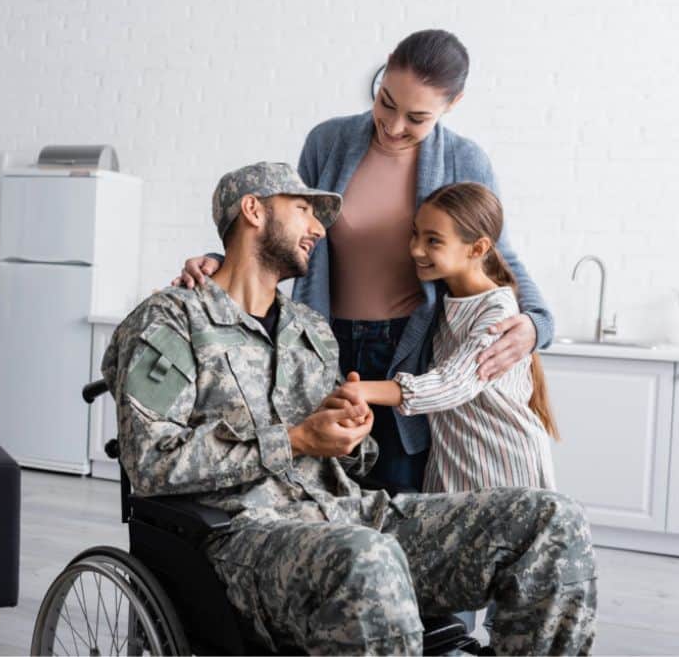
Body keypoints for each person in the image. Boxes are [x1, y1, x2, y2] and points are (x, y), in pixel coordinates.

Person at [104, 162, 596, 655]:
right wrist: (295, 440)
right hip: (242, 538)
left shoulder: (311, 330)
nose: (319, 228)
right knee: (369, 557)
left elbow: (351, 455)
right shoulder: (170, 321)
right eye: (303, 210)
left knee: (553, 520)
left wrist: (353, 435)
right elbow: (151, 463)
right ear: (253, 211)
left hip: (348, 517)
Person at [171, 29, 553, 491]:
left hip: (408, 353)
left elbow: (499, 253)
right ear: (385, 67)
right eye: (386, 102)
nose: (393, 126)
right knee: (318, 490)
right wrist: (220, 261)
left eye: (416, 118)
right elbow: (289, 231)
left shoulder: (464, 160)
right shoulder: (328, 141)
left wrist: (537, 325)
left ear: (452, 105)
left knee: (397, 493)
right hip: (322, 342)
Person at [337, 182, 558, 493]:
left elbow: (452, 383)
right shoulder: (442, 303)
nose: (415, 249)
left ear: (477, 249)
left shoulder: (498, 313)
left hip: (502, 466)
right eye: (415, 234)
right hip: (452, 467)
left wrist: (361, 390)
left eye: (433, 241)